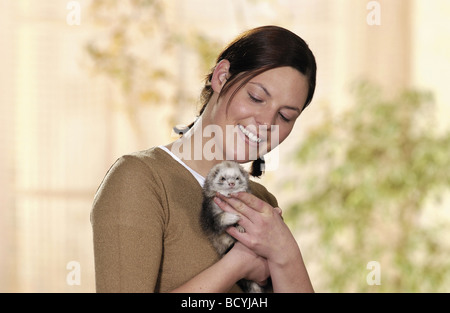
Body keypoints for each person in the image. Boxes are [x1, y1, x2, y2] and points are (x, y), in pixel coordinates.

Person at [91, 25, 317, 293]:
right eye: (256, 97)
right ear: (221, 77)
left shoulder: (262, 204)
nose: (266, 122)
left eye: (285, 116)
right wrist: (238, 264)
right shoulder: (140, 180)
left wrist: (286, 253)